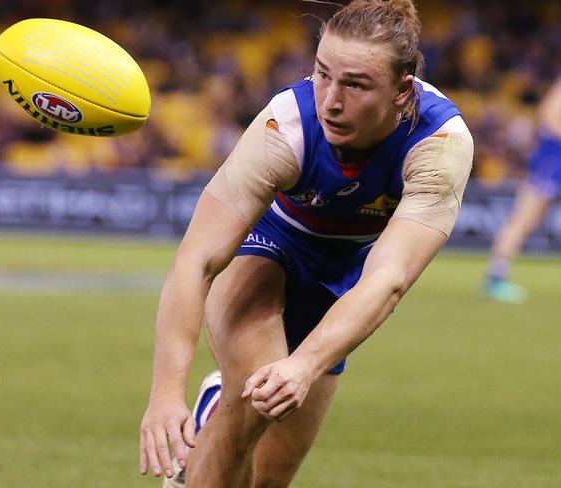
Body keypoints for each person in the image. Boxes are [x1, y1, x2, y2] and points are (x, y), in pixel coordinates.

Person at [140, 1, 474, 487]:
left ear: (402, 91)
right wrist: (165, 394)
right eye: (322, 74)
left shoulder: (440, 143)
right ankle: (219, 415)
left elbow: (388, 278)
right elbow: (197, 259)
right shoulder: (286, 125)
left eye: (355, 84)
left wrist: (307, 364)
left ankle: (217, 405)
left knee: (269, 479)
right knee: (252, 407)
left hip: (343, 282)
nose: (330, 101)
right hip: (266, 250)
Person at [485, 77, 561, 304]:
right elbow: (548, 117)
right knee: (523, 220)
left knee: (523, 221)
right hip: (552, 161)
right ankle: (496, 278)